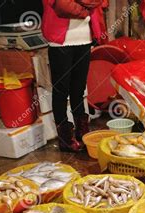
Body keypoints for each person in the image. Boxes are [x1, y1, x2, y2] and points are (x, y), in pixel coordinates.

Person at [42, 0, 101, 152]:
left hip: (85, 38)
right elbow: (63, 5)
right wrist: (85, 9)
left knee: (79, 88)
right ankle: (65, 139)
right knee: (61, 90)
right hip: (60, 41)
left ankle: (82, 131)